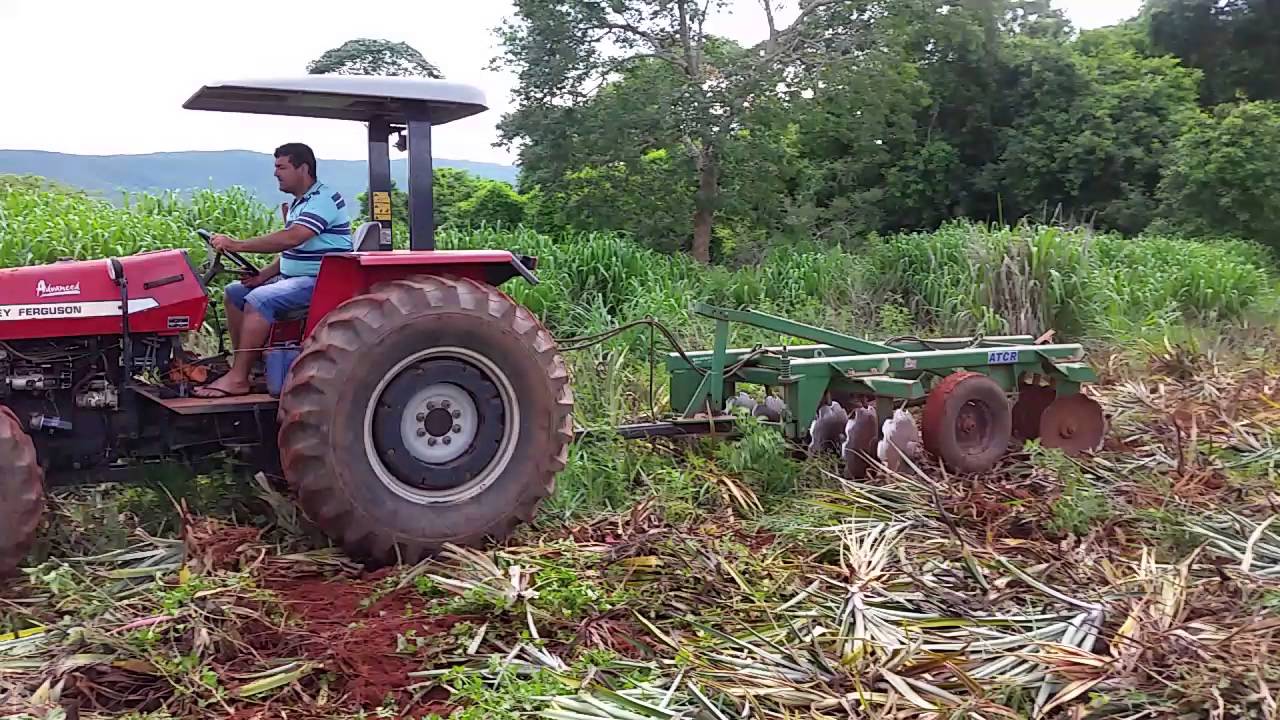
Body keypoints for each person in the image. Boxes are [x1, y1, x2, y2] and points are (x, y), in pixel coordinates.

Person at [193, 143, 352, 398]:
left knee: (259, 299)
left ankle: (238, 380)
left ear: (303, 168)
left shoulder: (323, 199)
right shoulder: (300, 203)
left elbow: (293, 238)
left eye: (281, 167)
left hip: (320, 281)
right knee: (235, 292)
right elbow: (293, 253)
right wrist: (263, 276)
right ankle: (249, 366)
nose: (276, 173)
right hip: (296, 277)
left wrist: (236, 244)